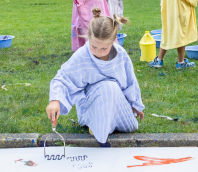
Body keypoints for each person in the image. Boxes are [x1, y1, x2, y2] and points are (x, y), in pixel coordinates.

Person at [46, 8, 144, 144]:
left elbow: (130, 82)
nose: (98, 52)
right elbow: (62, 79)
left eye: (104, 48)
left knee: (130, 125)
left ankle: (109, 124)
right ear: (89, 38)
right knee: (107, 87)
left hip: (117, 102)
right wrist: (54, 101)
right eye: (94, 46)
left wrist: (135, 105)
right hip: (91, 106)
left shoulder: (121, 54)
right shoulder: (82, 55)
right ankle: (99, 126)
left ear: (113, 42)